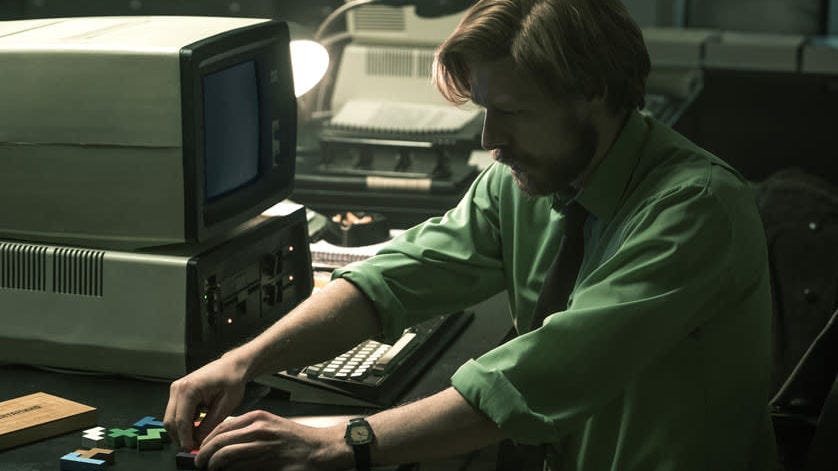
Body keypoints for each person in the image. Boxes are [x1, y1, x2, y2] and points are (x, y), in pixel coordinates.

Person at [164, 0, 778, 469]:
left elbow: (536, 378)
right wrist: (242, 362)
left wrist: (336, 443)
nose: (490, 140)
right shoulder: (523, 181)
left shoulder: (696, 209)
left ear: (592, 93)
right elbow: (396, 277)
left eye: (511, 112)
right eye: (484, 110)